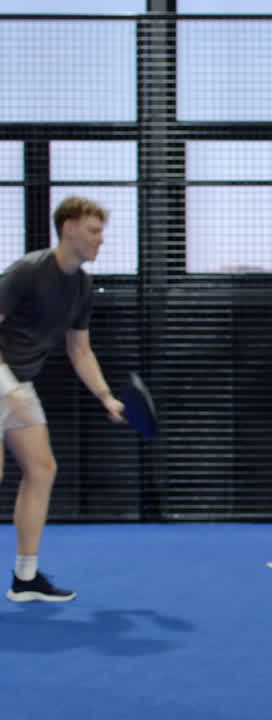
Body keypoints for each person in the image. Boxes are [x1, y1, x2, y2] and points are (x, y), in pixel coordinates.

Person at [0, 196, 125, 602]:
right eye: (94, 230)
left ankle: (26, 578)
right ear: (68, 228)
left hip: (20, 382)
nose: (100, 240)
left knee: (41, 469)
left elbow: (80, 351)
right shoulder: (27, 272)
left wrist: (106, 396)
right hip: (4, 378)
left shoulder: (81, 286)